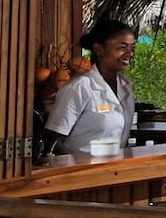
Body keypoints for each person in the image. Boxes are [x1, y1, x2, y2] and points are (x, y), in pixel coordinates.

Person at [46, 19, 136, 156]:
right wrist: (78, 166)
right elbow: (53, 140)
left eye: (132, 47)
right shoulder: (79, 87)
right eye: (122, 47)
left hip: (115, 171)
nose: (130, 53)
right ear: (98, 49)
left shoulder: (125, 86)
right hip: (81, 173)